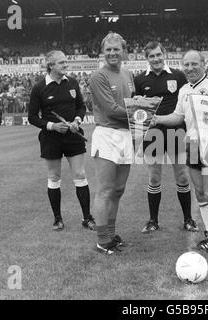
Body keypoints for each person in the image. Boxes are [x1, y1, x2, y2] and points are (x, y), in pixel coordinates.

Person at [152, 50, 208, 258]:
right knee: (200, 193)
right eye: (186, 65)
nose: (189, 68)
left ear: (203, 64)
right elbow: (177, 116)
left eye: (194, 64)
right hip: (193, 144)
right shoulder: (184, 90)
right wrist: (157, 119)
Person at [134, 41, 198, 234]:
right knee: (154, 177)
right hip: (152, 134)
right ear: (147, 59)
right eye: (151, 56)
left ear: (164, 54)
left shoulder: (178, 76)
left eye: (158, 55)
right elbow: (137, 110)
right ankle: (153, 220)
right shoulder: (139, 80)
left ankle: (188, 219)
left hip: (176, 131)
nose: (155, 59)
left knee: (182, 176)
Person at [28, 50, 95, 232]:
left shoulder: (72, 83)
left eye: (66, 62)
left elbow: (81, 107)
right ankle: (57, 219)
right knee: (54, 177)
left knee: (80, 175)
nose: (65, 65)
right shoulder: (39, 87)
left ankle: (87, 218)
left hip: (73, 136)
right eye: (61, 63)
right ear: (51, 66)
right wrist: (51, 126)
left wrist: (77, 121)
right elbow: (32, 117)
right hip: (51, 139)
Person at [89, 32, 135, 255]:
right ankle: (102, 240)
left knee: (118, 190)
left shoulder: (127, 74)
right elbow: (111, 110)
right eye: (108, 49)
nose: (112, 53)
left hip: (126, 135)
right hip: (107, 134)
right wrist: (141, 115)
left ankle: (111, 235)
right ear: (103, 52)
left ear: (123, 50)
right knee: (105, 190)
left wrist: (140, 113)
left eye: (116, 49)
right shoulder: (98, 76)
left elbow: (132, 103)